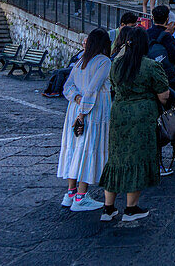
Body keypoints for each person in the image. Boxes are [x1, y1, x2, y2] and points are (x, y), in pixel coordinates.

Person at [98, 26, 170, 223]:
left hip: (119, 113)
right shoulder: (150, 66)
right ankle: (131, 209)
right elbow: (164, 95)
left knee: (117, 158)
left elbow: (113, 85)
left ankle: (108, 208)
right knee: (138, 158)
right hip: (142, 117)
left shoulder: (117, 64)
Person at [58, 29, 112, 212]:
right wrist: (83, 112)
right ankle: (81, 195)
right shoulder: (104, 62)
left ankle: (71, 192)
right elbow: (93, 89)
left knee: (74, 148)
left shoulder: (81, 61)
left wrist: (77, 100)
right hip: (93, 111)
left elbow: (68, 86)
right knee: (87, 149)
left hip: (75, 108)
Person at [149, 5, 175, 161]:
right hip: (169, 82)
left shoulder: (146, 34)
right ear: (167, 20)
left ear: (152, 18)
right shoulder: (167, 38)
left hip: (150, 81)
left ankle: (154, 151)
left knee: (153, 116)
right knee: (174, 114)